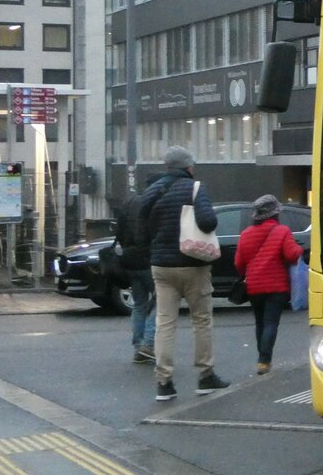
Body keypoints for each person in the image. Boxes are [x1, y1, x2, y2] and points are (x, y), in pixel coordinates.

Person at [140, 145, 229, 401]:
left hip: (161, 266)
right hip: (193, 264)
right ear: (188, 167)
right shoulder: (195, 188)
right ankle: (205, 376)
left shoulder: (151, 192)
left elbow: (142, 230)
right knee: (201, 320)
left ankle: (164, 383)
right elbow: (208, 222)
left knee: (164, 323)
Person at [234, 194, 304, 375]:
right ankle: (265, 360)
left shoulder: (245, 234)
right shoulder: (282, 231)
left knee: (260, 322)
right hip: (276, 287)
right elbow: (292, 255)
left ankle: (262, 360)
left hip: (254, 287)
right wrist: (299, 249)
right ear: (275, 214)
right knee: (271, 322)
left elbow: (239, 263)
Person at [116, 173, 161, 364]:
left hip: (129, 260)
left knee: (139, 304)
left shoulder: (129, 202)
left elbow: (118, 231)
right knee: (163, 302)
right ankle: (148, 343)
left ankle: (138, 347)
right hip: (148, 260)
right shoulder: (154, 204)